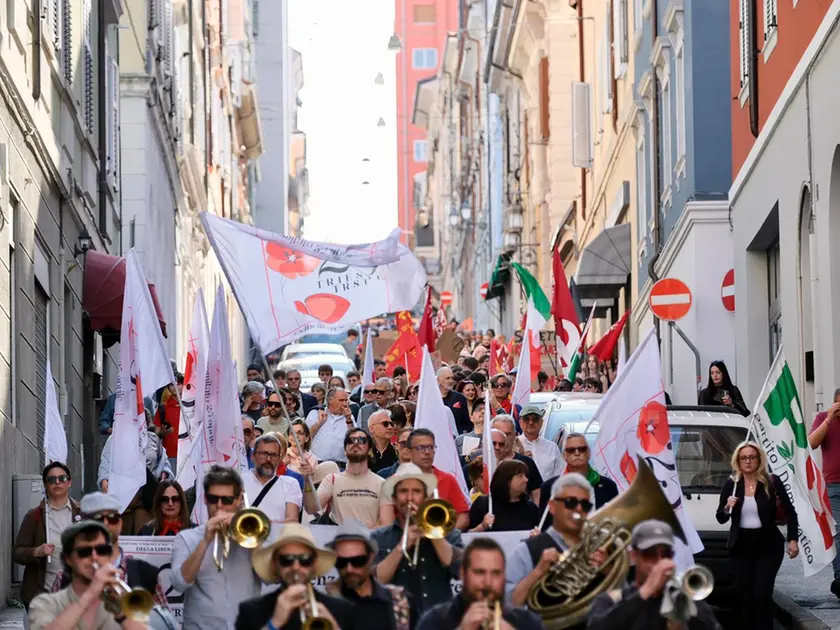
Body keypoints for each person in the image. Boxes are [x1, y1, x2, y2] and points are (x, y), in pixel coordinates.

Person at [716, 441, 798, 630]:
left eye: (752, 457)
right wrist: (728, 506)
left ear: (759, 459)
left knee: (762, 592)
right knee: (745, 594)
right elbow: (720, 517)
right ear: (737, 460)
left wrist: (793, 540)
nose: (748, 461)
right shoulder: (732, 484)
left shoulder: (771, 482)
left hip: (768, 545)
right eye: (743, 457)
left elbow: (791, 512)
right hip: (740, 545)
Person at [171, 466, 262, 629]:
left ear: (238, 499)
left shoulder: (254, 535)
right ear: (205, 499)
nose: (219, 506)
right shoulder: (187, 538)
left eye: (227, 500)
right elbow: (179, 583)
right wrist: (205, 541)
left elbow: (271, 577)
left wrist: (251, 538)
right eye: (213, 499)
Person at [588, 520, 722, 630]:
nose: (659, 562)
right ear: (634, 555)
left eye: (666, 554)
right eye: (649, 555)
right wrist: (646, 591)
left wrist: (689, 612)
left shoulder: (685, 599)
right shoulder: (612, 600)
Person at [372, 463, 464, 614]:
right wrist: (401, 546)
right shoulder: (379, 537)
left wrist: (432, 532)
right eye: (403, 491)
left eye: (416, 491)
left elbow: (460, 570)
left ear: (426, 497)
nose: (409, 498)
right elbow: (375, 581)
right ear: (394, 499)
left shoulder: (449, 534)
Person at [50, 493, 168, 607]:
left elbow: (165, 624)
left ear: (120, 523)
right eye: (98, 518)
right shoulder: (64, 579)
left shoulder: (146, 574)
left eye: (112, 518)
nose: (106, 523)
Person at [28, 520, 149, 630]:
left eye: (102, 550)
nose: (94, 557)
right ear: (68, 559)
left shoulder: (120, 605)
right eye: (84, 552)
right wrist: (90, 593)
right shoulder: (45, 603)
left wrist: (122, 614)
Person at [506, 473, 605, 608]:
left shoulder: (600, 547)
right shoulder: (527, 550)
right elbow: (507, 604)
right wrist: (538, 572)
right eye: (570, 502)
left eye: (585, 505)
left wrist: (607, 570)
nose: (579, 509)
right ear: (552, 506)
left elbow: (621, 602)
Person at [236, 523, 354, 629]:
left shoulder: (341, 610)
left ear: (314, 563)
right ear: (274, 564)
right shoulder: (251, 611)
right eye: (287, 560)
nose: (296, 567)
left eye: (305, 560)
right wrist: (274, 623)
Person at [417, 538, 543, 630]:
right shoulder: (435, 621)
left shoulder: (526, 622)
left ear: (504, 576)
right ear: (462, 573)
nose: (488, 583)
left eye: (496, 573)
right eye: (479, 572)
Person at [326, 520, 418, 630]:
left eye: (357, 561)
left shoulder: (400, 601)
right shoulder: (327, 604)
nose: (349, 569)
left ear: (371, 557)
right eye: (341, 562)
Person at [14, 462, 82, 608]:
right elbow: (17, 552)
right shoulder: (35, 516)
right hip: (43, 596)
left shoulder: (82, 514)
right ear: (45, 485)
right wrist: (36, 552)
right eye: (52, 479)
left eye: (62, 479)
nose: (57, 482)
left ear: (69, 482)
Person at [98, 413, 173, 534]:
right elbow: (106, 460)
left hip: (147, 498)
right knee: (122, 536)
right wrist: (104, 479)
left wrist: (164, 475)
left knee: (144, 537)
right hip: (124, 498)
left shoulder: (154, 438)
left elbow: (164, 461)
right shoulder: (115, 439)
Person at [539, 432, 619, 529]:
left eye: (582, 449)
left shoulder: (608, 486)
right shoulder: (549, 488)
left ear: (589, 453)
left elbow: (616, 522)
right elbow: (544, 527)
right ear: (564, 455)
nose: (577, 453)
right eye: (571, 450)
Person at [317, 428, 394, 527]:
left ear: (370, 450)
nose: (356, 443)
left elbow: (386, 526)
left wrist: (360, 530)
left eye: (361, 440)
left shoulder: (382, 484)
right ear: (345, 450)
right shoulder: (332, 480)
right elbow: (312, 508)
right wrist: (307, 480)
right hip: (338, 539)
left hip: (368, 540)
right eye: (351, 440)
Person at [808, 387, 840, 595]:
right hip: (834, 484)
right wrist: (829, 419)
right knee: (838, 531)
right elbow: (811, 442)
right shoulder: (823, 418)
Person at [407, 428, 471, 531]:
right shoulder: (398, 482)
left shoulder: (448, 479)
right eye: (421, 448)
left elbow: (463, 517)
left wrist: (447, 537)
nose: (427, 452)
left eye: (431, 447)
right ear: (409, 452)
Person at [245, 434, 306, 527]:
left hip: (278, 539)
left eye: (273, 455)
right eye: (264, 454)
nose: (268, 459)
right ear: (253, 456)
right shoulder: (238, 481)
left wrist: (263, 525)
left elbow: (293, 521)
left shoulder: (291, 483)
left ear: (279, 458)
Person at [468, 460, 539, 532]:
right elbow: (465, 536)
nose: (526, 479)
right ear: (506, 480)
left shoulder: (530, 508)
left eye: (525, 476)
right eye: (520, 476)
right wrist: (482, 526)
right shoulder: (483, 504)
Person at [488, 416, 543, 504]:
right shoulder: (481, 463)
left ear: (515, 435)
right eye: (500, 433)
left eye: (508, 433)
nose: (503, 437)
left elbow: (537, 497)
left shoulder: (527, 463)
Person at [305, 387, 356, 466]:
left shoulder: (350, 417)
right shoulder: (315, 413)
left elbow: (354, 440)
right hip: (317, 464)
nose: (345, 404)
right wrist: (318, 423)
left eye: (346, 400)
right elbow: (305, 438)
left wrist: (349, 420)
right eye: (341, 400)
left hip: (341, 465)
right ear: (330, 400)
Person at [517, 405, 563, 481]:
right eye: (526, 419)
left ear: (541, 422)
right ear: (520, 423)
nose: (531, 422)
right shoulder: (514, 446)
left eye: (535, 419)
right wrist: (519, 457)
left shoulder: (552, 447)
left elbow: (559, 475)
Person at [154, 378, 183, 473]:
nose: (176, 387)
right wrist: (163, 432)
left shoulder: (191, 406)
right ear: (168, 388)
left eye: (179, 383)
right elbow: (156, 433)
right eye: (172, 384)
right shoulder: (162, 408)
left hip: (188, 453)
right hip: (170, 454)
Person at [438, 367, 472, 434]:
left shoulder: (460, 397)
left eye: (452, 378)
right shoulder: (433, 398)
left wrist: (464, 433)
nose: (451, 381)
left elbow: (468, 421)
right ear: (438, 380)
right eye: (447, 378)